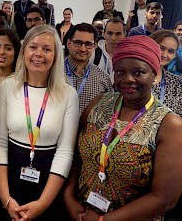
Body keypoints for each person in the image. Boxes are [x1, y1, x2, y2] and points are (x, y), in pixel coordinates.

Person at [64, 35, 182, 221]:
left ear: (154, 73)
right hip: (81, 214)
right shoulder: (99, 103)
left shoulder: (169, 124)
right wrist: (69, 197)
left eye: (138, 72)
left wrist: (105, 220)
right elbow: (77, 158)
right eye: (120, 72)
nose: (128, 79)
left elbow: (165, 198)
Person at [0, 24, 79, 221]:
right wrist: (6, 199)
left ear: (56, 55)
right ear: (24, 51)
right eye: (33, 47)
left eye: (47, 49)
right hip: (9, 183)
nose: (39, 54)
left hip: (48, 187)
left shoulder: (68, 94)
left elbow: (65, 151)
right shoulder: (7, 87)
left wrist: (43, 203)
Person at [65, 23, 113, 114]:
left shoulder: (103, 78)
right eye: (78, 43)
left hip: (88, 128)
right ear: (68, 44)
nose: (83, 49)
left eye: (88, 44)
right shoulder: (53, 72)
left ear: (94, 47)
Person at [150, 30, 182, 116]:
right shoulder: (135, 78)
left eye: (171, 51)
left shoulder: (177, 82)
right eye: (161, 48)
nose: (164, 55)